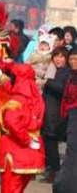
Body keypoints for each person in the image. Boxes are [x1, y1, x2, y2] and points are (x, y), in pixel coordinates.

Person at [0, 64, 45, 193]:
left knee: (10, 188)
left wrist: (25, 139)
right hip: (32, 148)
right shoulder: (36, 98)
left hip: (15, 148)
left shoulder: (17, 99)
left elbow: (11, 122)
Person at [42, 47, 71, 183]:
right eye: (56, 56)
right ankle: (52, 170)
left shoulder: (67, 72)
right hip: (48, 111)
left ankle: (56, 172)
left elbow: (63, 90)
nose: (58, 59)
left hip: (56, 114)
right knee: (48, 143)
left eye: (61, 57)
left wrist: (48, 82)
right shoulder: (52, 69)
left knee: (52, 143)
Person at [54, 48, 77, 193]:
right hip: (70, 116)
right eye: (72, 59)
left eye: (76, 59)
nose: (73, 62)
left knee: (72, 153)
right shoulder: (70, 76)